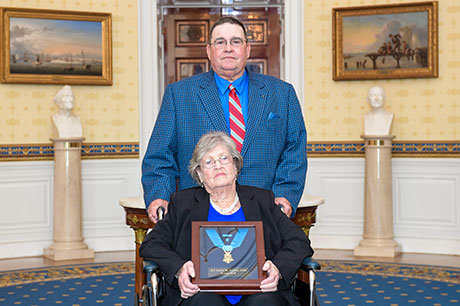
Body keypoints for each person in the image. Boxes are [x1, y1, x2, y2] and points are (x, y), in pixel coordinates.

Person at [142, 16, 307, 222]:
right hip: (199, 212)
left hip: (265, 211)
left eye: (236, 41)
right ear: (209, 50)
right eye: (220, 42)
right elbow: (159, 156)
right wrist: (159, 196)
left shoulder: (282, 93)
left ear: (247, 49)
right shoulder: (180, 94)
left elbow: (294, 151)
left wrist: (285, 195)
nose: (228, 48)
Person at [140, 132, 313, 306]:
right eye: (208, 162)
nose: (217, 166)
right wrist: (179, 268)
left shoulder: (262, 200)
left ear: (235, 165)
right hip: (202, 292)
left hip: (258, 290)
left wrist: (277, 268)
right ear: (199, 174)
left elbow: (299, 241)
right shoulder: (183, 204)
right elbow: (152, 244)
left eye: (224, 158)